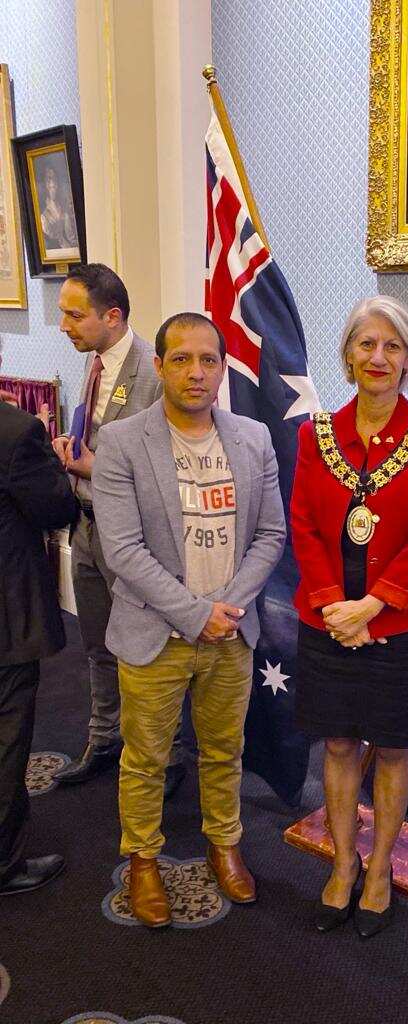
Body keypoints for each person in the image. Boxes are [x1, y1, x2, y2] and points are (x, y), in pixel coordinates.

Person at [91, 312, 285, 928]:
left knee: (224, 750)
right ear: (160, 365)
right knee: (146, 756)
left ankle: (223, 843)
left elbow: (271, 534)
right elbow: (121, 550)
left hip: (230, 633)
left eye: (208, 361)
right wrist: (195, 614)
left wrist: (224, 611)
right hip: (155, 632)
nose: (196, 372)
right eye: (181, 359)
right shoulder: (123, 441)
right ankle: (143, 859)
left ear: (223, 369)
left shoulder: (253, 438)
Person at [291, 295, 408, 938]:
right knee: (337, 744)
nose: (378, 357)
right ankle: (342, 862)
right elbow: (303, 522)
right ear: (348, 354)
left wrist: (374, 604)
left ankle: (382, 868)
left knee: (392, 749)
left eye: (392, 346)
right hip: (329, 615)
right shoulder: (316, 435)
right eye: (366, 344)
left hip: (399, 621)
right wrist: (337, 604)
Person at [51, 264, 185, 797]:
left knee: (146, 651)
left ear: (113, 317)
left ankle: (166, 755)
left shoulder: (154, 375)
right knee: (96, 646)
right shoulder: (94, 364)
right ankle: (104, 738)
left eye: (73, 314)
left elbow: (166, 463)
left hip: (134, 540)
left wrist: (91, 465)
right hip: (87, 529)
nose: (63, 324)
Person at [0, 350, 79, 896]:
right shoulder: (14, 431)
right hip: (5, 617)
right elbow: (56, 509)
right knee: (6, 738)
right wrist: (54, 460)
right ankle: (4, 864)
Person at [38, 164, 78, 254]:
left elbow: (72, 238)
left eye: (55, 179)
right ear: (44, 184)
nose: (53, 184)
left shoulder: (65, 207)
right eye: (49, 180)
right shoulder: (43, 215)